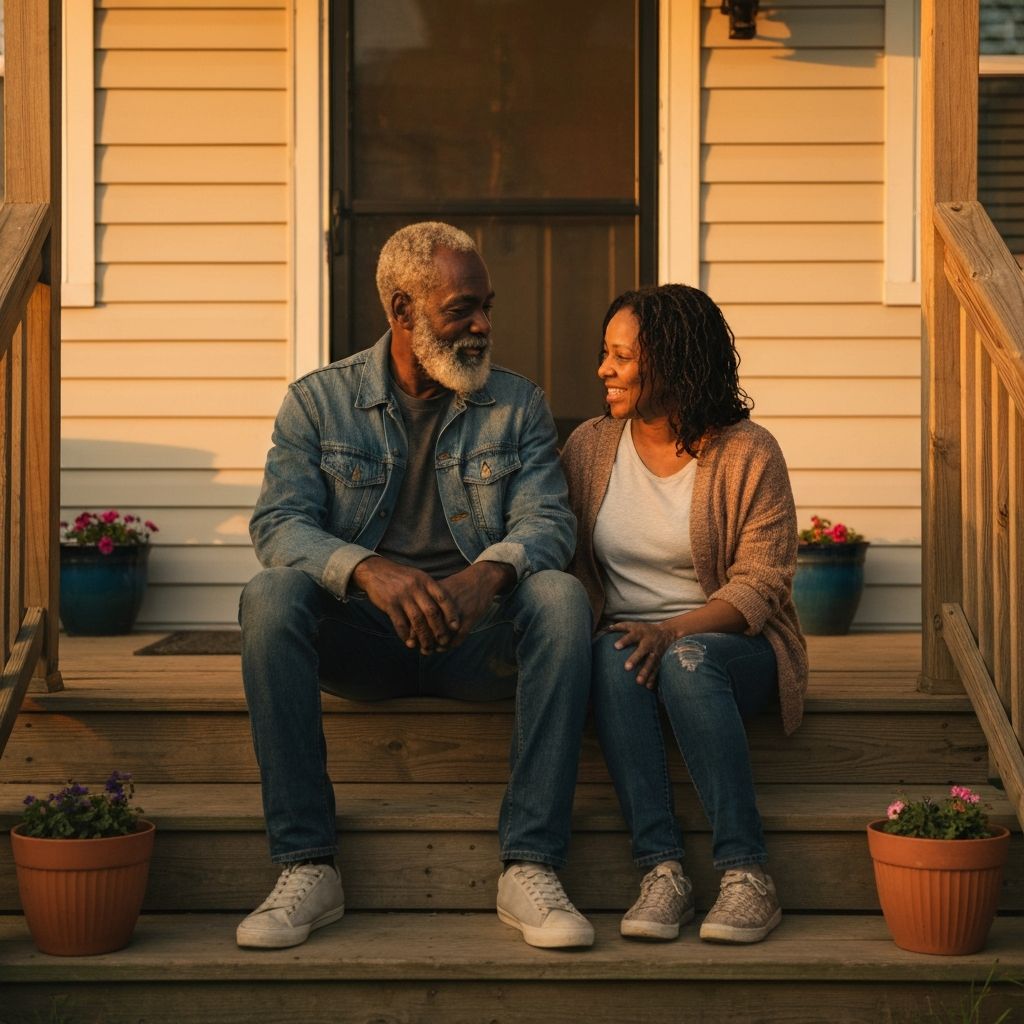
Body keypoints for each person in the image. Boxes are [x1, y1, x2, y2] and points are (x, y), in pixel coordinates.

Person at [237, 221, 594, 951]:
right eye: (461, 309)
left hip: (477, 643)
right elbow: (279, 524)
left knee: (560, 597)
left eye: (486, 305)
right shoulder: (317, 403)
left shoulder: (517, 405)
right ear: (402, 311)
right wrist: (366, 570)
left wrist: (484, 578)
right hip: (363, 641)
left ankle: (530, 863)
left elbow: (550, 523)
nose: (483, 325)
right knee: (269, 597)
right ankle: (308, 864)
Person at [560, 284, 807, 945]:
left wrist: (672, 631)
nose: (603, 370)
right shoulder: (589, 447)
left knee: (688, 663)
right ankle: (662, 869)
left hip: (730, 645)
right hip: (629, 645)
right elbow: (566, 558)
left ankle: (747, 874)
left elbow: (762, 584)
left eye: (621, 356)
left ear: (672, 362)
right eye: (604, 354)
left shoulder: (748, 452)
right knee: (615, 657)